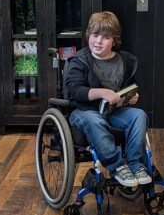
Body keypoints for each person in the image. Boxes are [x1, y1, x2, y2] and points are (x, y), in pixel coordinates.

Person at [64, 11, 152, 190]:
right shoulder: (79, 61)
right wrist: (103, 92)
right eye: (95, 35)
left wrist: (131, 96)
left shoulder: (125, 60)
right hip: (84, 111)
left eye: (105, 37)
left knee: (139, 115)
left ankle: (136, 164)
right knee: (95, 120)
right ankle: (116, 166)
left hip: (113, 110)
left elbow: (129, 85)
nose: (98, 41)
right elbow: (75, 91)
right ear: (88, 35)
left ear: (114, 40)